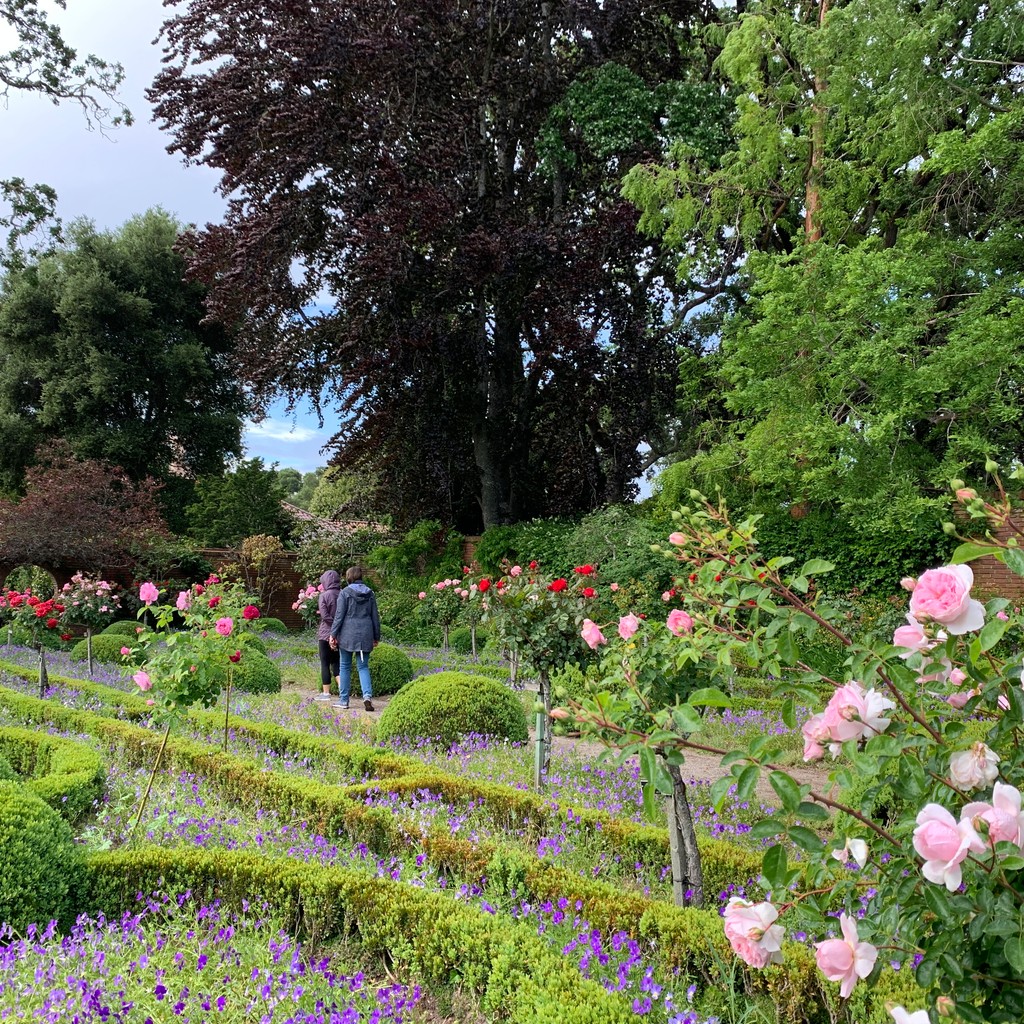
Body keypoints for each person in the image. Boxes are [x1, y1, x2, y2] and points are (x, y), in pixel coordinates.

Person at [329, 565, 380, 711]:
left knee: (344, 666)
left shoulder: (345, 592)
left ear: (349, 577)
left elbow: (339, 616)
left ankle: (344, 701)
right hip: (365, 634)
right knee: (363, 667)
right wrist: (376, 636)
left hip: (347, 634)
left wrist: (333, 634)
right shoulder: (370, 593)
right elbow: (375, 617)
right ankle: (367, 696)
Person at [315, 569, 342, 701]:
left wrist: (333, 625)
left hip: (325, 633)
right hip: (340, 634)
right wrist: (338, 626)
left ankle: (326, 693)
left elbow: (325, 616)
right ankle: (343, 690)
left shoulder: (324, 596)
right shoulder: (343, 594)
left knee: (325, 663)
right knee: (337, 663)